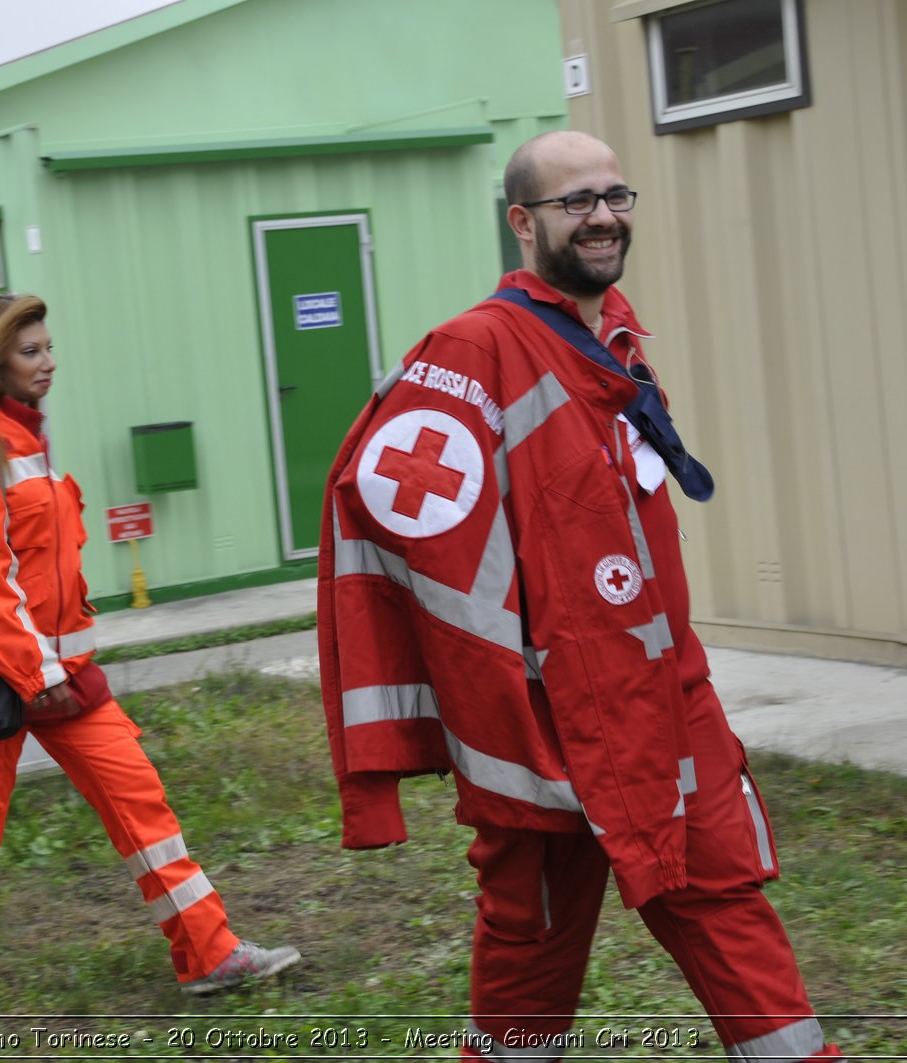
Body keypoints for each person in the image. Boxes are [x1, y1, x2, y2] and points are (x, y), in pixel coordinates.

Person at [316, 131, 843, 1061]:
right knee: (528, 955)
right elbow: (393, 505)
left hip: (668, 709)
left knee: (733, 916)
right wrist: (499, 687)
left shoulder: (618, 341)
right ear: (523, 222)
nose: (602, 215)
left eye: (615, 195)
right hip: (550, 726)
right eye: (575, 201)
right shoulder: (473, 348)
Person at [0, 293, 300, 1039]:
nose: (49, 363)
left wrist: (57, 673)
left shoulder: (22, 442)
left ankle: (210, 952)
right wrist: (36, 676)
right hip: (2, 682)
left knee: (144, 805)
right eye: (30, 351)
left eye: (47, 347)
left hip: (62, 681)